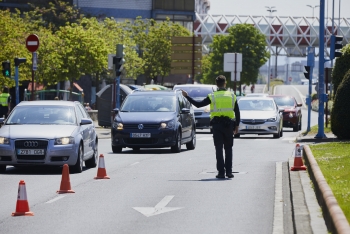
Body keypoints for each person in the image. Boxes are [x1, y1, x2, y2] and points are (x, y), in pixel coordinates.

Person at [182, 75, 240, 179]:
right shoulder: (232, 95)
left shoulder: (212, 96)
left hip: (217, 125)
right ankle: (229, 172)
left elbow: (198, 105)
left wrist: (187, 96)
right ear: (225, 83)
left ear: (216, 84)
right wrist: (237, 126)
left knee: (218, 149)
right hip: (228, 125)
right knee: (228, 149)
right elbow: (237, 112)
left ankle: (221, 172)